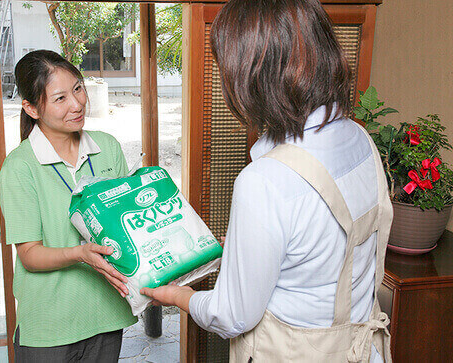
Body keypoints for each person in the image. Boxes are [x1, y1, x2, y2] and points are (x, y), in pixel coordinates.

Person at [141, 0, 393, 362]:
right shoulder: (358, 138)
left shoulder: (265, 180)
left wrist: (174, 296)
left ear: (252, 75)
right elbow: (326, 250)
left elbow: (231, 315)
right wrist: (254, 249)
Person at [0, 50, 136, 362]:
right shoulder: (20, 169)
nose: (77, 104)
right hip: (49, 326)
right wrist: (80, 254)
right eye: (60, 98)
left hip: (106, 315)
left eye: (78, 88)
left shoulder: (107, 147)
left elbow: (126, 222)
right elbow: (30, 255)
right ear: (31, 108)